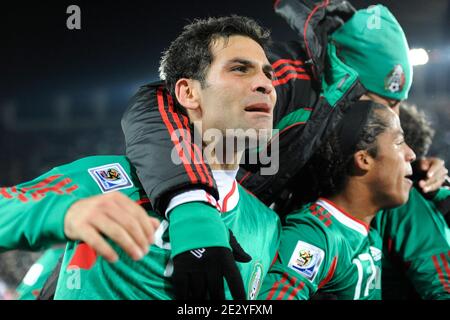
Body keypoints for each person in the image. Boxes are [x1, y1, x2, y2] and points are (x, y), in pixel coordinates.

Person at [120, 0, 450, 299]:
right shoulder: (282, 78)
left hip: (245, 237)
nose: (391, 115)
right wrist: (193, 207)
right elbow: (157, 103)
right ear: (351, 83)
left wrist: (419, 173)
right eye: (386, 102)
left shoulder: (332, 116)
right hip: (178, 229)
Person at [0, 15, 282, 300]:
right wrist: (65, 213)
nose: (265, 84)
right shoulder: (109, 182)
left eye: (268, 74)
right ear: (188, 93)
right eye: (240, 69)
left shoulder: (267, 224)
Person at [259, 100, 415, 299]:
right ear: (364, 159)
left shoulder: (369, 235)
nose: (411, 154)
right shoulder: (316, 235)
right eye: (399, 142)